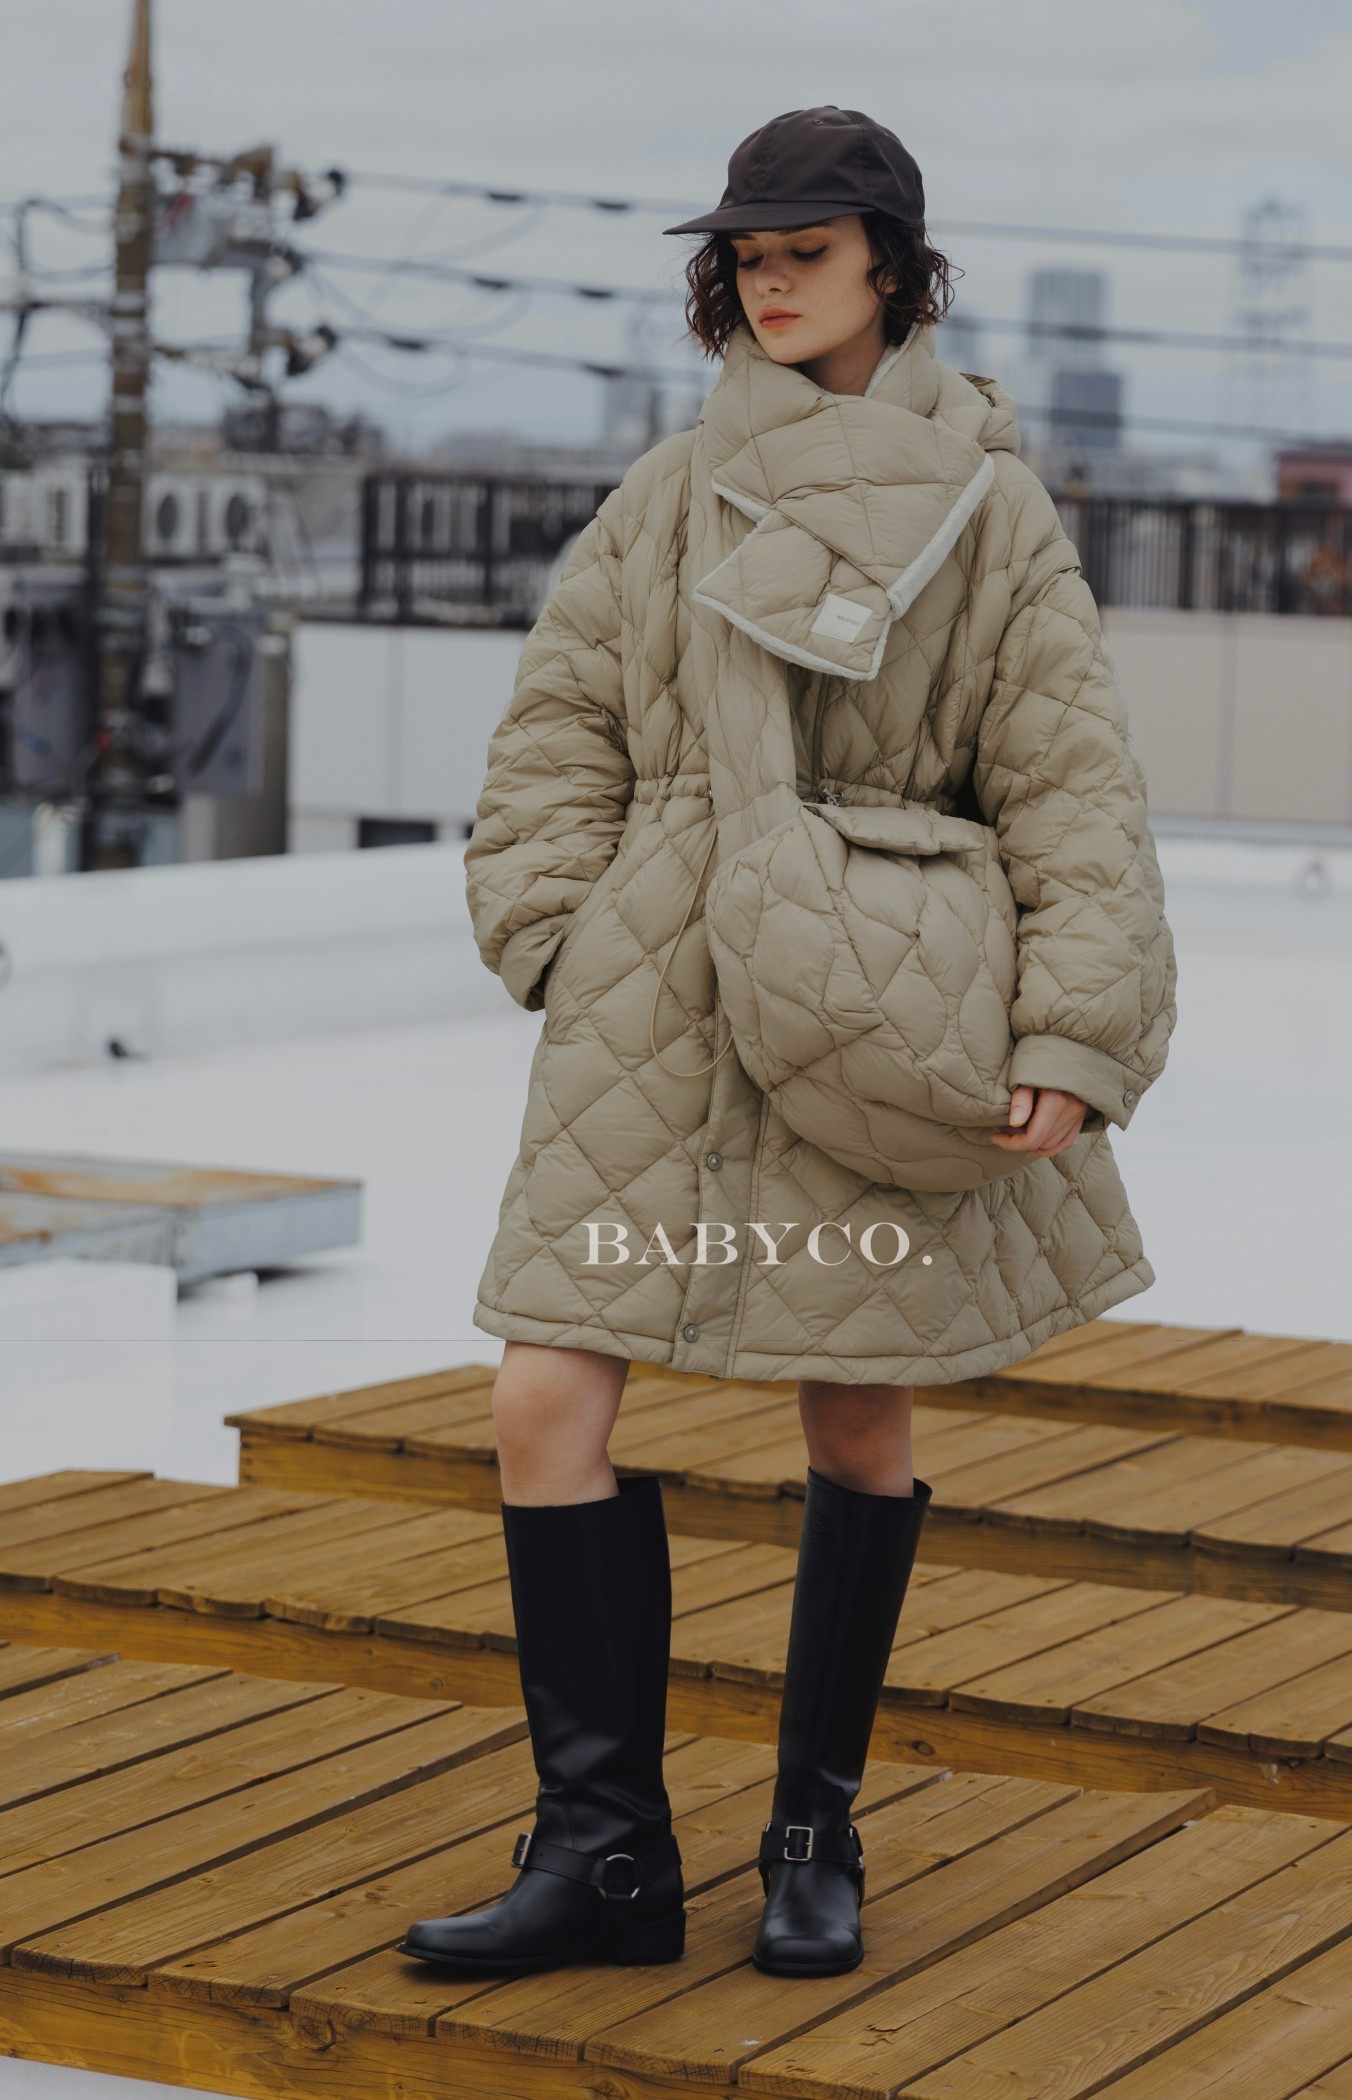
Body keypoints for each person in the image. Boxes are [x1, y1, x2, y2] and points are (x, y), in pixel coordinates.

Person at [401, 106, 1176, 1982]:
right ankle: (604, 1856)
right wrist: (561, 928)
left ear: (892, 264)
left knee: (857, 1404)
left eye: (805, 248)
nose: (768, 278)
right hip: (658, 1004)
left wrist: (1075, 1025)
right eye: (746, 252)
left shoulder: (992, 509)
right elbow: (558, 725)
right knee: (542, 1400)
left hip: (873, 1000)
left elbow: (1073, 788)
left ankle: (813, 1830)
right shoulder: (669, 492)